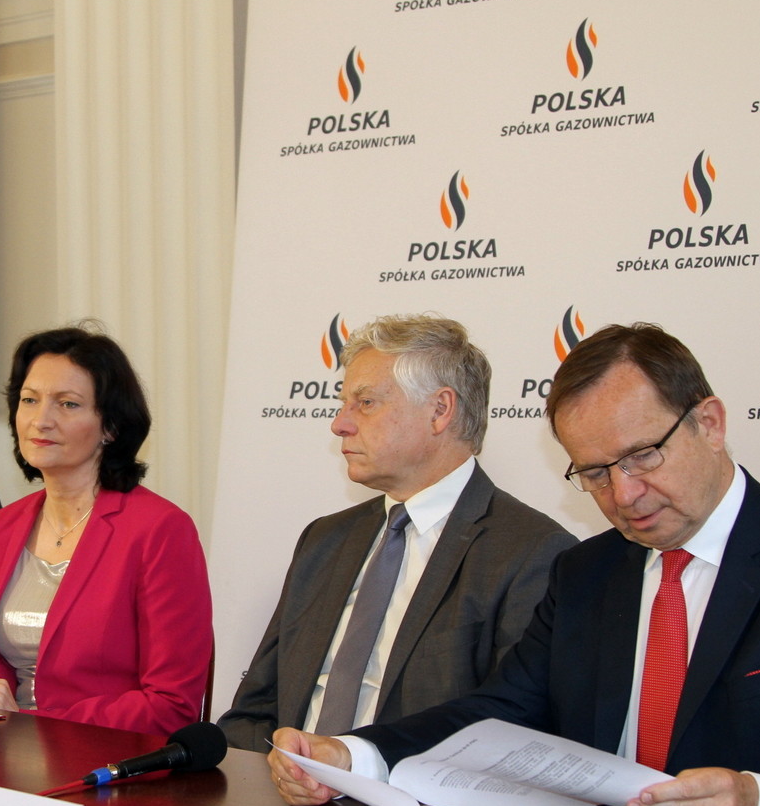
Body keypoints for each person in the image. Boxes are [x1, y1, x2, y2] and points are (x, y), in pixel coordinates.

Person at [268, 323, 760, 806]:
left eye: (642, 456)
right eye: (595, 473)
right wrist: (354, 755)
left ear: (710, 424)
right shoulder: (586, 572)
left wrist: (755, 802)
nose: (624, 495)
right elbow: (498, 713)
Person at [219, 316, 575, 751]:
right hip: (284, 784)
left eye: (366, 403)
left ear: (440, 410)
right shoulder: (325, 539)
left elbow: (510, 737)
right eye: (343, 403)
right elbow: (254, 713)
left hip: (410, 792)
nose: (340, 424)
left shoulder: (532, 553)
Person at [0, 326, 213, 735]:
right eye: (29, 400)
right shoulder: (2, 525)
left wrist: (30, 722)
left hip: (102, 758)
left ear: (110, 427)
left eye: (67, 404)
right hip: (1, 748)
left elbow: (172, 706)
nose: (41, 420)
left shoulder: (160, 530)